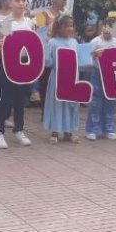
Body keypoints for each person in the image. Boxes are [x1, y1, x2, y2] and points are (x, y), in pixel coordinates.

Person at [0, 0, 34, 149]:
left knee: (20, 99)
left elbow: (33, 47)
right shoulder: (5, 23)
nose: (21, 3)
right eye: (18, 0)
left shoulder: (30, 23)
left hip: (24, 67)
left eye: (24, 0)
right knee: (6, 99)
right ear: (10, 3)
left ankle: (19, 129)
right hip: (8, 67)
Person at [42, 14, 80, 144]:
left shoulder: (74, 42)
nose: (70, 28)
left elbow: (79, 60)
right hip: (57, 78)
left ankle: (69, 131)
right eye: (67, 26)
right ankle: (55, 131)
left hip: (72, 78)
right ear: (59, 27)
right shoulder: (52, 42)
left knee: (71, 104)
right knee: (57, 103)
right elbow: (47, 62)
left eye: (71, 26)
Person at [85, 19, 116, 141]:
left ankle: (109, 129)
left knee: (110, 101)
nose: (108, 30)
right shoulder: (95, 41)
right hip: (97, 73)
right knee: (96, 102)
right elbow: (87, 56)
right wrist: (94, 55)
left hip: (111, 75)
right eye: (106, 27)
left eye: (112, 28)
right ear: (102, 27)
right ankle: (92, 130)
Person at [35, 0, 68, 107]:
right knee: (46, 81)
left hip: (63, 52)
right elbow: (38, 35)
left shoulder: (67, 14)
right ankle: (45, 108)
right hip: (48, 53)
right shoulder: (41, 14)